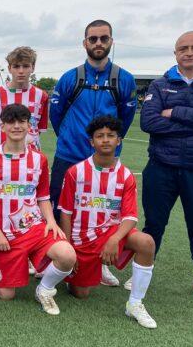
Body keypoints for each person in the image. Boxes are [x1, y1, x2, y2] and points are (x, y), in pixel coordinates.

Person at [49, 20, 137, 287]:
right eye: (93, 39)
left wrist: (106, 143)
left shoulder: (124, 78)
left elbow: (126, 117)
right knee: (60, 206)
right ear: (84, 42)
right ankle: (57, 258)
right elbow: (56, 115)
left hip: (105, 160)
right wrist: (71, 137)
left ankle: (98, 262)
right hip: (70, 154)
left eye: (104, 38)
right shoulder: (69, 77)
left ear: (111, 41)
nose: (98, 43)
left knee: (102, 211)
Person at [0, 104, 76, 315]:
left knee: (67, 255)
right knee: (6, 295)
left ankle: (45, 289)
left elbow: (43, 196)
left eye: (22, 121)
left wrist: (51, 221)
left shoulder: (39, 159)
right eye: (11, 121)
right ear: (2, 126)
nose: (16, 126)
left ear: (30, 125)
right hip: (4, 235)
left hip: (33, 228)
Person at [140, 30, 193, 304]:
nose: (189, 52)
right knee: (154, 223)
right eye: (183, 48)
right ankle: (143, 271)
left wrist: (175, 113)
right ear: (175, 52)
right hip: (161, 166)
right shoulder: (160, 84)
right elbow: (149, 123)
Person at [58, 116, 157, 328]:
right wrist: (68, 248)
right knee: (81, 294)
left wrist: (114, 239)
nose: (105, 140)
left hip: (111, 233)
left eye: (110, 136)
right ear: (91, 142)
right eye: (99, 136)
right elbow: (65, 213)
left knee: (146, 242)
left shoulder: (126, 176)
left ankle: (135, 303)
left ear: (119, 140)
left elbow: (130, 217)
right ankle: (84, 273)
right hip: (81, 239)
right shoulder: (76, 172)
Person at [0, 46, 48, 151]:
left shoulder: (41, 96)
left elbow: (38, 129)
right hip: (0, 159)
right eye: (16, 66)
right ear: (9, 68)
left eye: (26, 66)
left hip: (31, 158)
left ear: (33, 67)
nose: (21, 71)